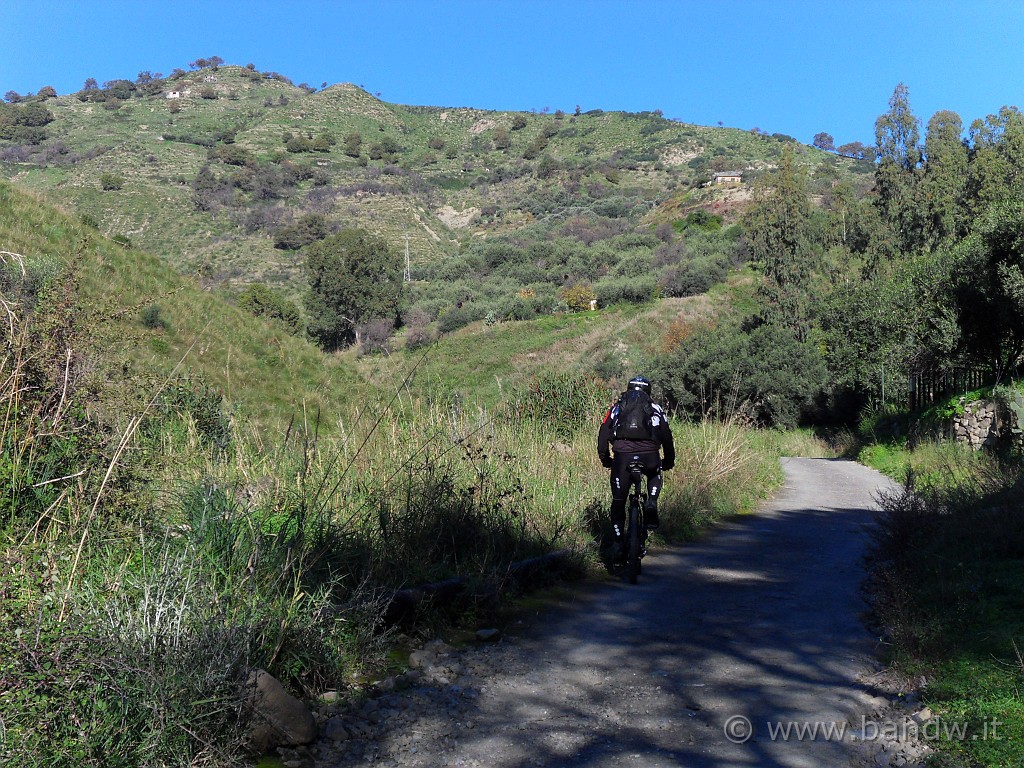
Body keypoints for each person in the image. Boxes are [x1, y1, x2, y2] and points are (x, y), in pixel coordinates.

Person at [597, 376, 675, 563]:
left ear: (628, 389)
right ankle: (652, 502)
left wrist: (605, 458)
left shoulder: (616, 407)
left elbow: (603, 434)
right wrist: (669, 460)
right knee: (655, 472)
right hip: (650, 457)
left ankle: (617, 542)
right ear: (648, 391)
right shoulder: (656, 408)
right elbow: (666, 436)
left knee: (618, 502)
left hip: (622, 459)